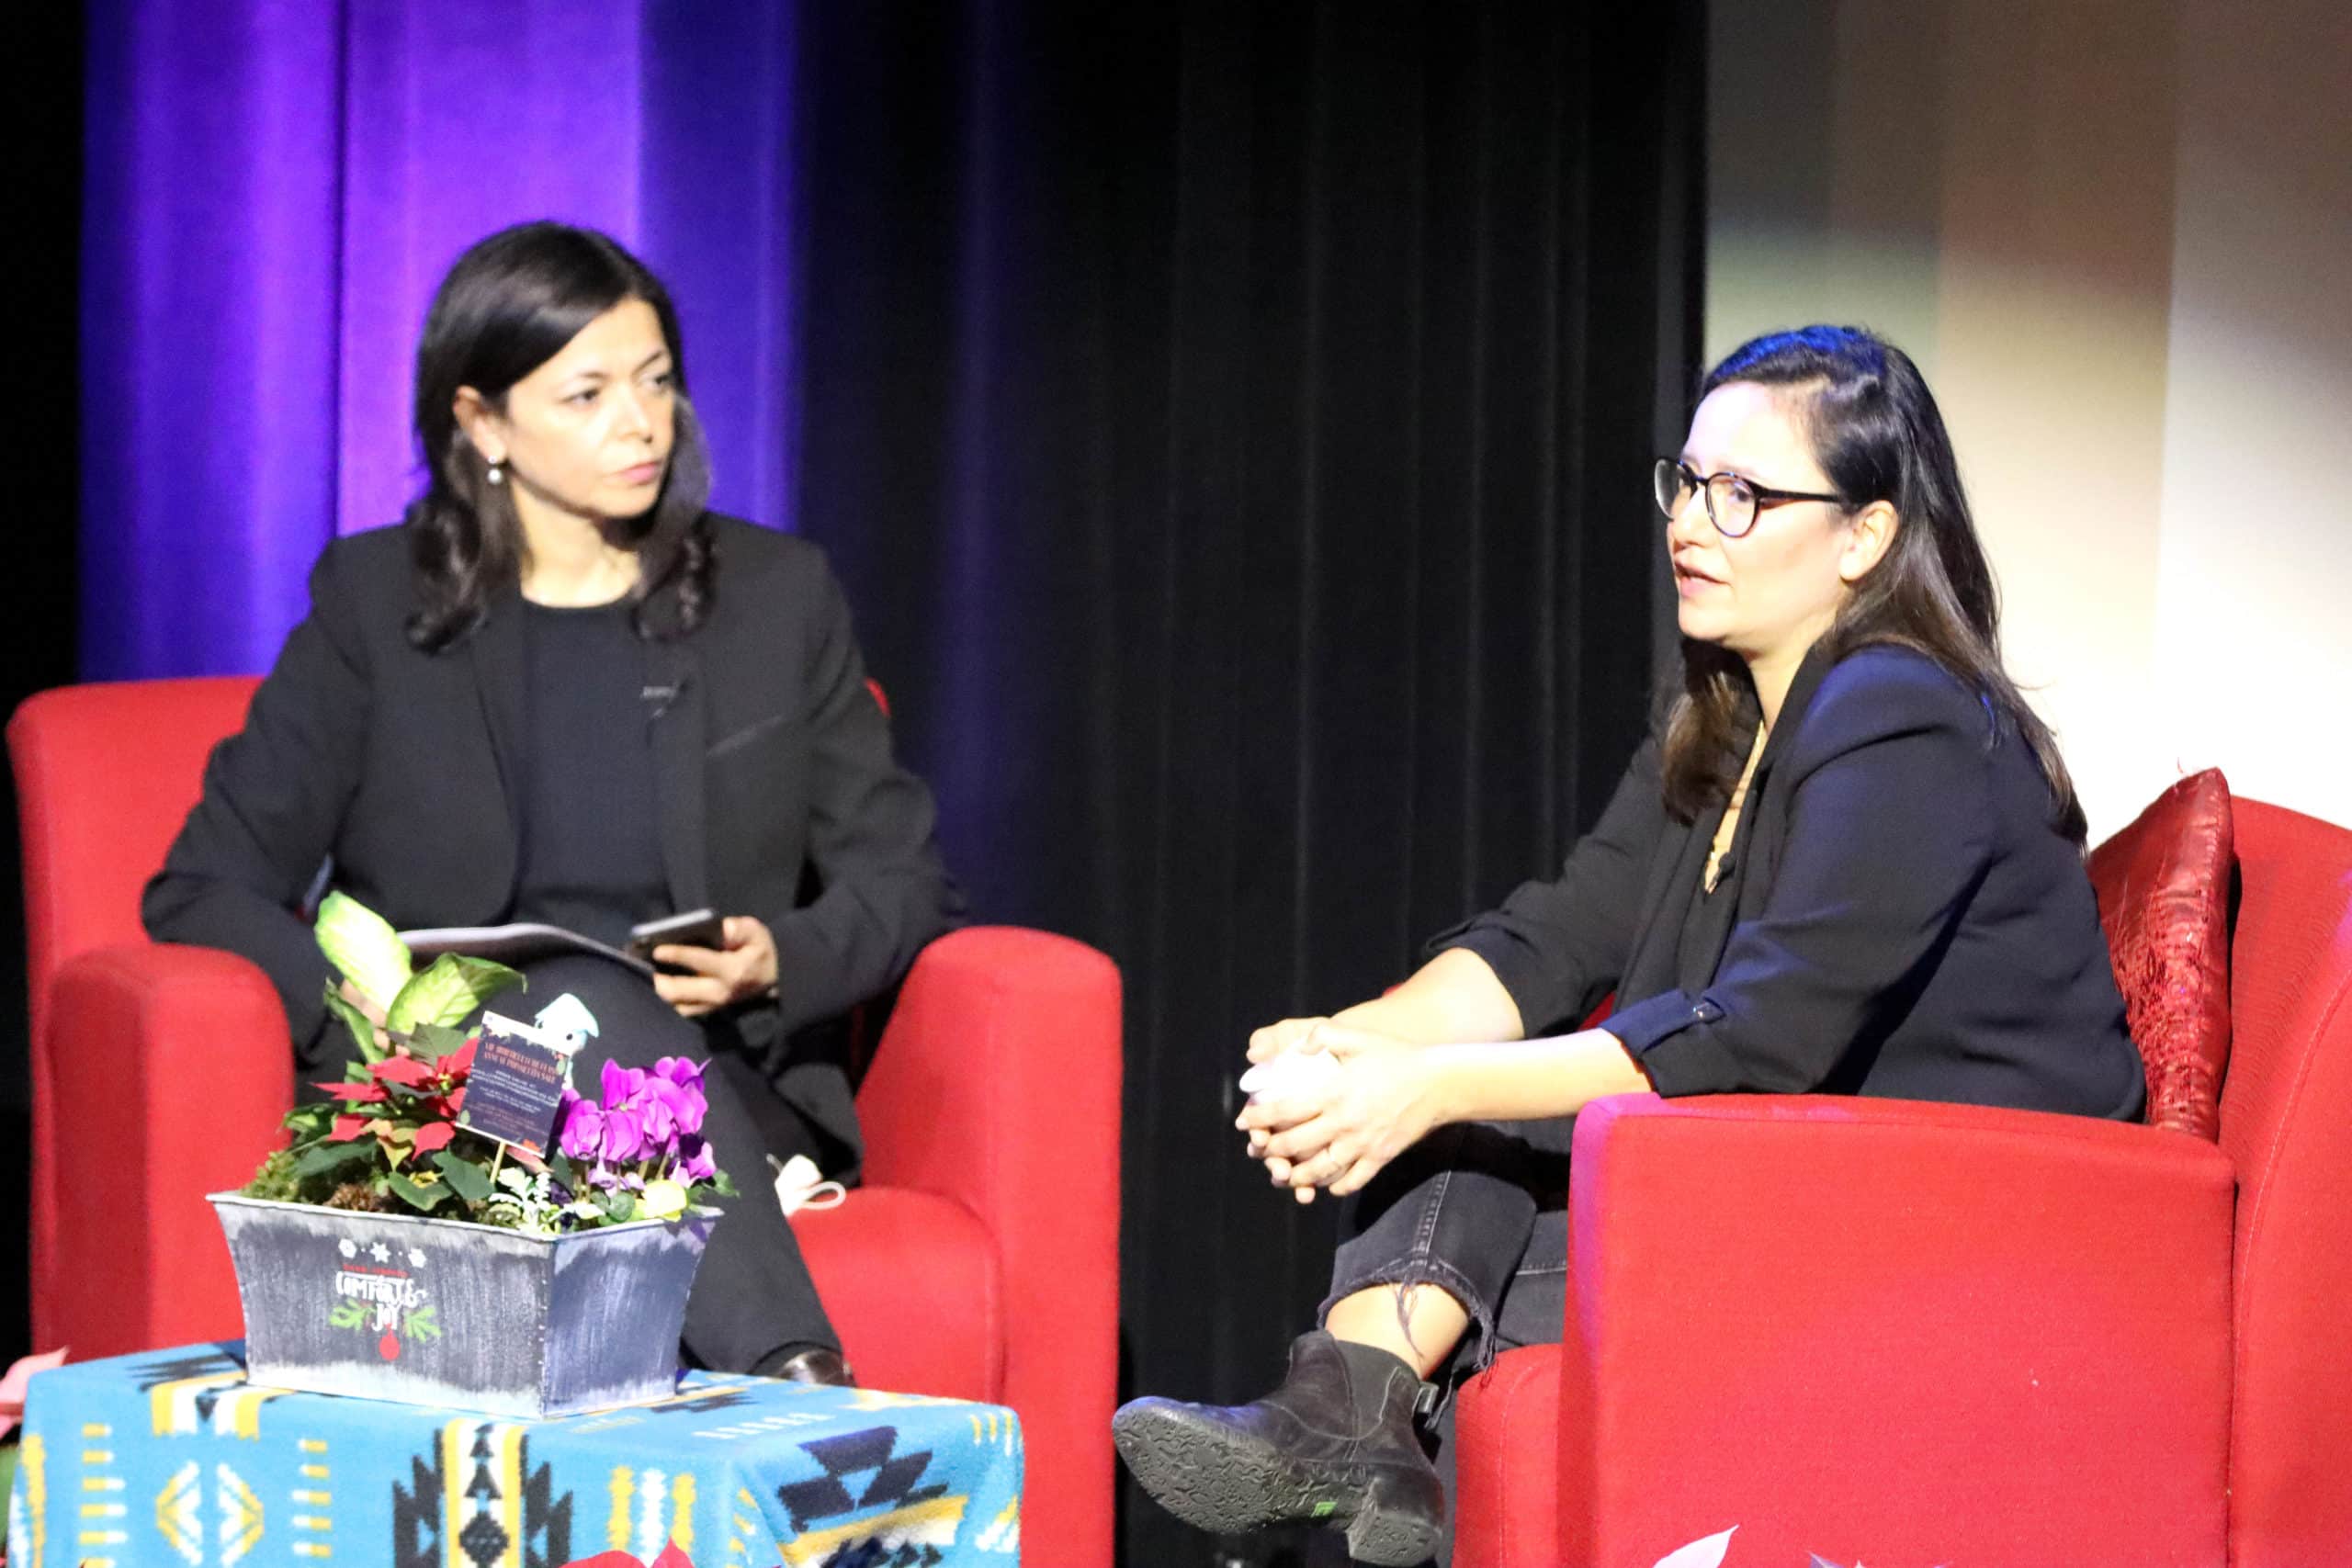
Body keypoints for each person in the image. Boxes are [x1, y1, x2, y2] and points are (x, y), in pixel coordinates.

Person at [1111, 325, 2146, 1565]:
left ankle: (1347, 1424)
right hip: (1798, 1179)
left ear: (1865, 536)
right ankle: (1348, 1423)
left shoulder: (1902, 711)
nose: (1690, 522)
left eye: (1745, 495)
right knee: (1466, 1122)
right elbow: (1557, 931)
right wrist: (1357, 1045)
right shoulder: (1720, 715)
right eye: (1687, 482)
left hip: (1958, 1232)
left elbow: (1766, 1027)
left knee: (1475, 1119)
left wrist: (1427, 1083)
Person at [144, 220, 965, 1386]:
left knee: (597, 1007)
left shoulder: (777, 599)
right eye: (586, 394)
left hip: (702, 1087)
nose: (640, 423)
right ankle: (797, 1379)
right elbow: (205, 886)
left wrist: (776, 959)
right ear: (482, 423)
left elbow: (904, 875)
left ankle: (779, 1378)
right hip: (455, 1094)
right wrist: (371, 1026)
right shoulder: (376, 602)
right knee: (566, 997)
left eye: (657, 382)